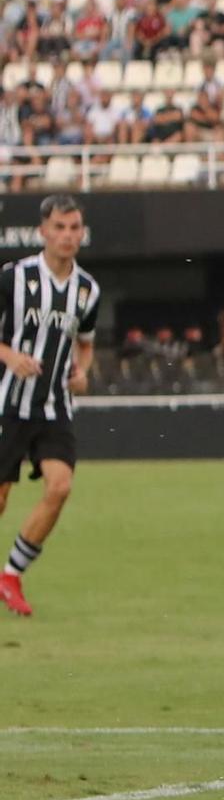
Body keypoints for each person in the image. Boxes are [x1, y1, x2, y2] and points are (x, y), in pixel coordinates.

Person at [0, 196, 102, 617]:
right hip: (6, 403)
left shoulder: (87, 290)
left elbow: (87, 345)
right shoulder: (14, 278)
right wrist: (10, 357)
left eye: (74, 227)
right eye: (59, 227)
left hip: (54, 407)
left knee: (59, 487)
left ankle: (10, 575)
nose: (67, 235)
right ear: (43, 231)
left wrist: (83, 374)